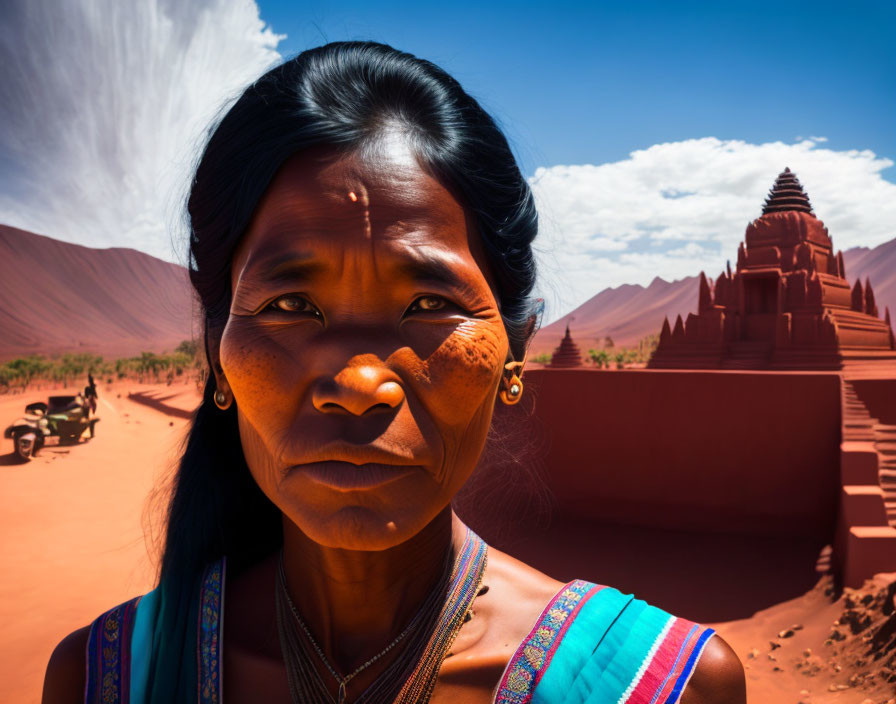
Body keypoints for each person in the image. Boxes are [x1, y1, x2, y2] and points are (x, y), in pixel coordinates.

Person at [42, 42, 745, 703]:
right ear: (215, 353)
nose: (357, 385)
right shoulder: (101, 680)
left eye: (430, 304)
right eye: (290, 305)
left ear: (514, 353)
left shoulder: (659, 687)